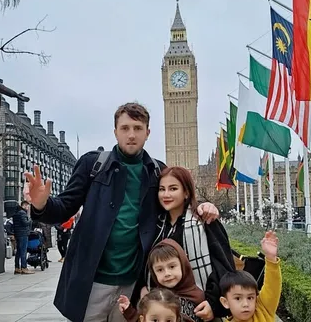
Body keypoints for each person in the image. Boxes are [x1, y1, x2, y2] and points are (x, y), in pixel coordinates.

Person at [23, 102, 218, 322]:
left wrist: (201, 206)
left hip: (132, 283)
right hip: (92, 280)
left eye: (138, 128)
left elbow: (176, 201)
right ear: (115, 132)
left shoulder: (157, 171)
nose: (131, 135)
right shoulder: (92, 164)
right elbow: (64, 208)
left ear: (147, 133)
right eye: (125, 128)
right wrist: (41, 204)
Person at [145, 166, 235, 320]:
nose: (166, 194)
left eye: (173, 189)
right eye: (162, 189)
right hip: (164, 311)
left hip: (201, 309)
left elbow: (224, 266)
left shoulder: (204, 220)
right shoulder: (156, 225)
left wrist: (213, 304)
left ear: (186, 192)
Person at [119, 239, 204, 322]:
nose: (167, 273)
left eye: (172, 267)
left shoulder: (199, 297)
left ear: (183, 264)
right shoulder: (154, 298)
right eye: (160, 270)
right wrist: (130, 313)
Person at [219, 231, 281, 322]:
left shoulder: (263, 310)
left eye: (250, 298)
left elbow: (272, 287)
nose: (245, 304)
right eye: (238, 298)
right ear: (225, 302)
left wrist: (271, 258)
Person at [12, 200, 34, 274]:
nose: (28, 208)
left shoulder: (16, 212)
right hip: (23, 234)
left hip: (17, 234)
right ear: (24, 205)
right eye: (27, 206)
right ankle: (24, 267)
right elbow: (25, 223)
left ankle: (17, 267)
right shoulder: (22, 213)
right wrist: (30, 219)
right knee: (23, 251)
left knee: (18, 251)